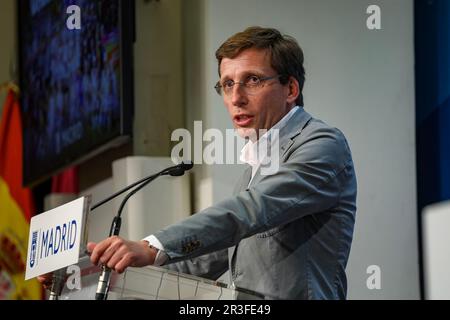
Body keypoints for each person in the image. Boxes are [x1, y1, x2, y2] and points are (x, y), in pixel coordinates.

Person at [39, 26, 357, 299]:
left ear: (290, 88)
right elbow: (206, 261)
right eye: (228, 84)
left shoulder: (322, 145)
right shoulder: (256, 163)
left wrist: (151, 245)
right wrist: (95, 272)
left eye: (253, 80)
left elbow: (251, 210)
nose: (236, 98)